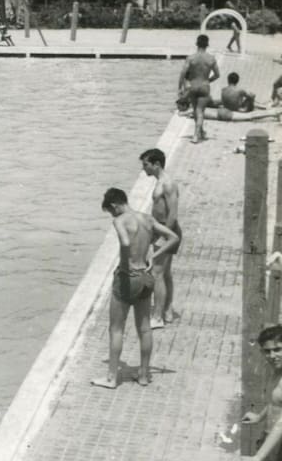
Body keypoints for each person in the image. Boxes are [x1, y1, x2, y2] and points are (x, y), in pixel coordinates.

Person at [90, 188, 178, 389]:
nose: (112, 216)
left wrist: (123, 266)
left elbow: (125, 242)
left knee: (116, 329)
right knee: (145, 328)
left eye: (111, 212)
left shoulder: (120, 221)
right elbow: (173, 237)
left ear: (114, 206)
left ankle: (112, 378)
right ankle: (145, 375)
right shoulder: (147, 219)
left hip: (127, 277)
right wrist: (154, 257)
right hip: (145, 276)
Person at [212, 325, 282, 461]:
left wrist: (258, 458)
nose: (272, 355)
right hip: (274, 448)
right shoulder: (277, 371)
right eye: (267, 351)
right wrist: (259, 417)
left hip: (274, 448)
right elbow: (277, 402)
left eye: (278, 349)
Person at [139, 149, 180, 330]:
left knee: (156, 274)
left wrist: (164, 236)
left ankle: (157, 317)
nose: (143, 168)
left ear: (156, 164)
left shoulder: (168, 184)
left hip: (166, 231)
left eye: (146, 164)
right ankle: (168, 311)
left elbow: (173, 213)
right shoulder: (160, 182)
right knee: (165, 273)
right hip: (161, 230)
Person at [178, 34, 220, 143]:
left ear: (197, 44)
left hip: (193, 86)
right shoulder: (211, 58)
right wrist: (208, 81)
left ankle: (199, 132)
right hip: (204, 86)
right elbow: (217, 75)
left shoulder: (191, 58)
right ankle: (197, 134)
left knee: (196, 110)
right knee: (200, 111)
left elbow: (182, 73)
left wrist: (180, 87)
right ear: (207, 45)